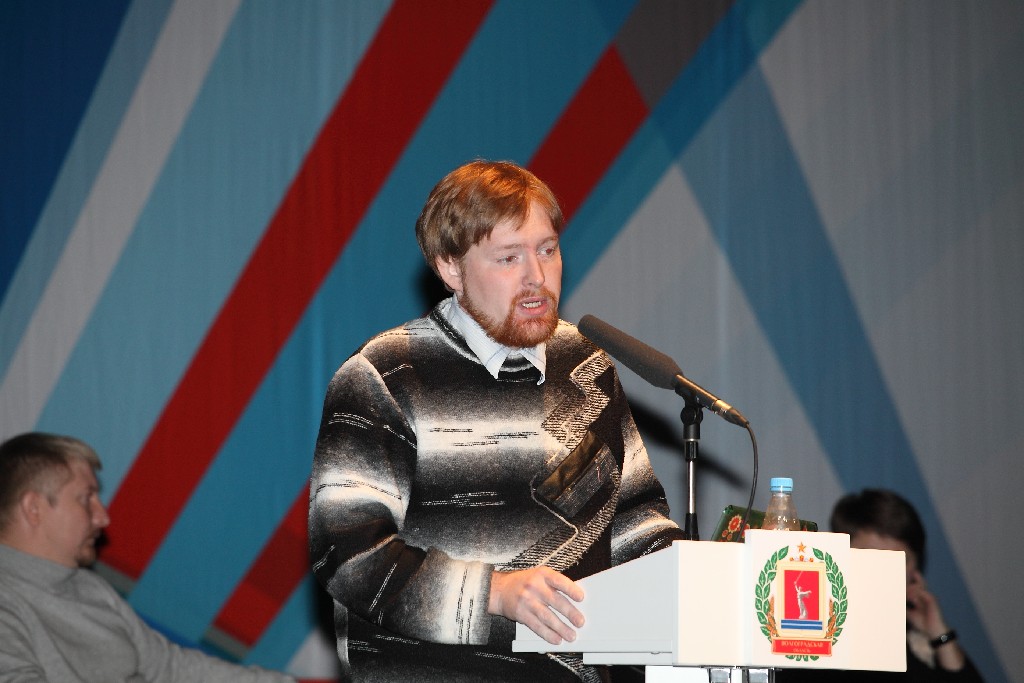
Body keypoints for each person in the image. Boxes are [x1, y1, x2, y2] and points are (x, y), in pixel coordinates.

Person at [308, 160, 685, 682]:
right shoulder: (386, 375)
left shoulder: (587, 365)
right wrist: (493, 593)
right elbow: (348, 554)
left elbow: (636, 524)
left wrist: (708, 578)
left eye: (547, 250)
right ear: (451, 269)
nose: (537, 278)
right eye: (509, 258)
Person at [0, 431, 296, 683]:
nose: (103, 517)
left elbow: (169, 667)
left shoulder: (91, 588)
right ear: (33, 508)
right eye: (86, 498)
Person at [778, 488, 983, 682]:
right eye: (872, 558)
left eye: (898, 561)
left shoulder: (918, 643)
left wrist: (939, 634)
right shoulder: (812, 635)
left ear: (915, 570)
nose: (885, 573)